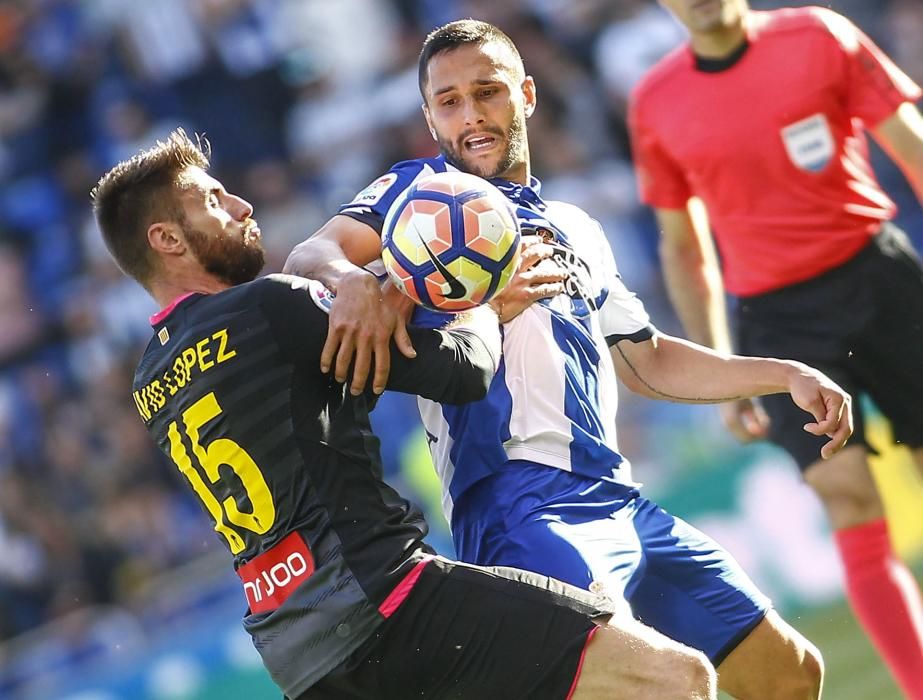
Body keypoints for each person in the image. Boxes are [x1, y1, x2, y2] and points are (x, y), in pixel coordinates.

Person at [283, 19, 856, 699]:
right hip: (518, 509)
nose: (471, 115)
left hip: (619, 499)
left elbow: (645, 361)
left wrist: (784, 374)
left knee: (790, 676)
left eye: (487, 92)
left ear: (525, 94)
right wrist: (352, 283)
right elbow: (310, 256)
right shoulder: (420, 197)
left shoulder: (575, 226)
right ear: (429, 118)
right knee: (669, 687)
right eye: (449, 101)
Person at [90, 128, 722, 700]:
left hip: (297, 658)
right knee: (675, 678)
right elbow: (461, 373)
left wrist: (387, 292)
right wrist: (479, 297)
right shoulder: (271, 307)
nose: (242, 207)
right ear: (167, 239)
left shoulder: (150, 380)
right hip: (391, 604)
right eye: (214, 200)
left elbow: (328, 400)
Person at [628, 1, 923, 695]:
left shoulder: (815, 35)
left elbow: (909, 145)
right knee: (847, 499)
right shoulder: (653, 101)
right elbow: (683, 246)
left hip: (880, 280)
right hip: (778, 326)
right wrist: (721, 373)